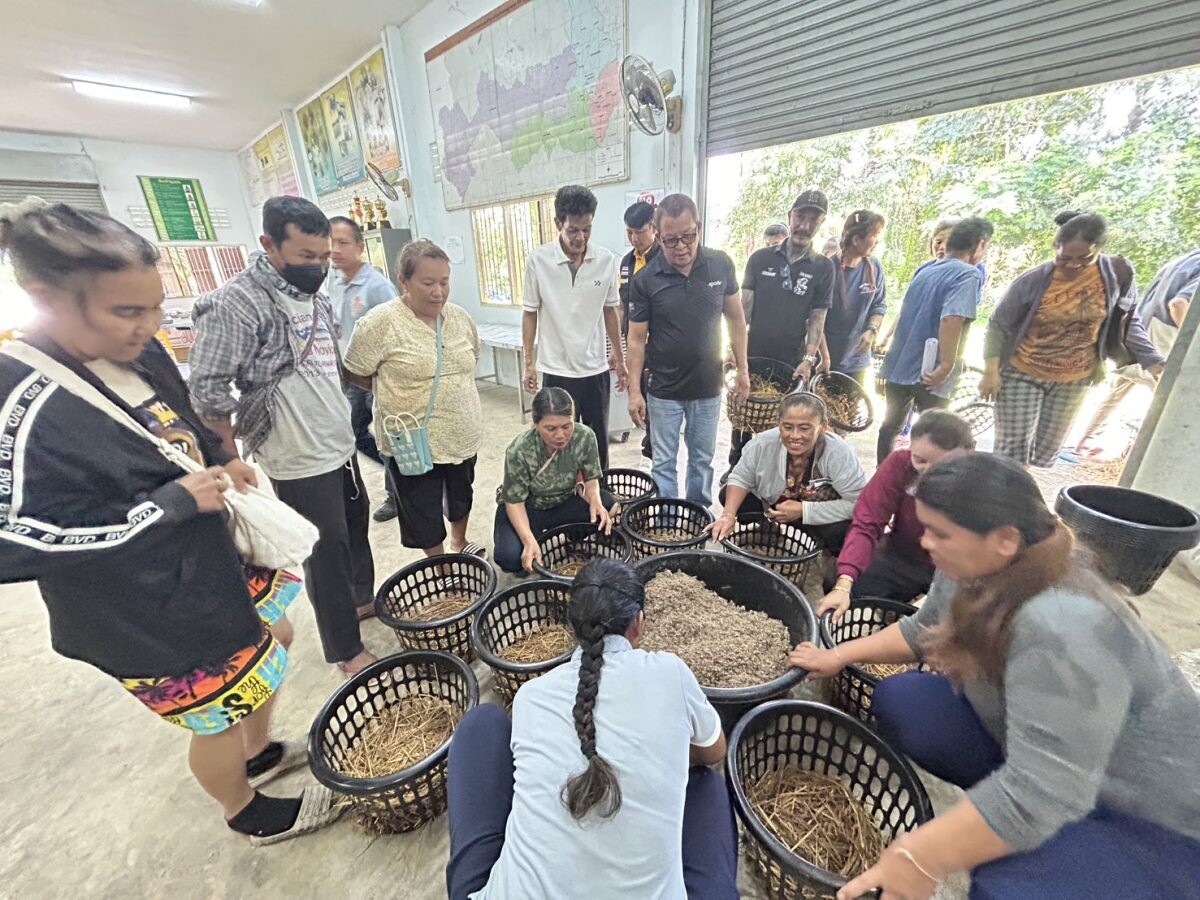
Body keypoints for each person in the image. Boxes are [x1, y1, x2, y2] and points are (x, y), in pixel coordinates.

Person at [0, 199, 340, 844]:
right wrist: (169, 506)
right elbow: (15, 541)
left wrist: (219, 458)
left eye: (154, 306)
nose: (147, 325)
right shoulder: (19, 396)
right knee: (213, 709)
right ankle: (242, 806)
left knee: (278, 639)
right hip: (143, 598)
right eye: (127, 311)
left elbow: (177, 416)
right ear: (48, 300)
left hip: (208, 561)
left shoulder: (140, 351)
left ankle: (258, 750)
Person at [789, 453, 1200, 900]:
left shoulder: (1064, 623)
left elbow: (1045, 791)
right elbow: (922, 631)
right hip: (1055, 757)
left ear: (1004, 538)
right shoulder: (972, 565)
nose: (926, 543)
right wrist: (837, 655)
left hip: (1151, 817)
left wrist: (924, 853)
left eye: (940, 533)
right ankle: (1012, 814)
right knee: (905, 701)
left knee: (1006, 886)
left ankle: (1061, 847)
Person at [445, 558, 738, 899]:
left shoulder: (531, 696)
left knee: (481, 724)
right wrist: (656, 756)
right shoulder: (670, 673)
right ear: (638, 624)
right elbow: (715, 751)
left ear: (571, 628)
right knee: (706, 784)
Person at [189, 196, 376, 678]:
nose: (317, 267)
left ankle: (360, 602)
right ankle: (346, 650)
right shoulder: (237, 303)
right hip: (296, 452)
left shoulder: (313, 291)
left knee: (354, 525)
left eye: (324, 257)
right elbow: (207, 390)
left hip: (335, 440)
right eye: (305, 257)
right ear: (269, 244)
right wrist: (229, 457)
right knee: (325, 550)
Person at [981, 212, 1165, 468]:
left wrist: (1152, 360)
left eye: (1084, 258)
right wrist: (991, 372)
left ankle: (1016, 494)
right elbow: (997, 326)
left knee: (1042, 455)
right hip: (1022, 371)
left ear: (1100, 248)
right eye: (1064, 258)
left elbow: (1126, 322)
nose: (1073, 265)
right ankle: (1006, 502)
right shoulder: (1033, 281)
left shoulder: (1116, 276)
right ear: (1055, 248)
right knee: (1012, 454)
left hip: (1075, 378)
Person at [344, 240, 485, 560]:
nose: (438, 291)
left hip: (461, 433)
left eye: (444, 282)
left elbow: (470, 358)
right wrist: (394, 391)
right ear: (403, 282)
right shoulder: (379, 323)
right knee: (421, 509)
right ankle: (440, 565)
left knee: (461, 495)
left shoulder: (459, 318)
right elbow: (354, 370)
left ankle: (459, 544)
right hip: (412, 438)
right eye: (428, 282)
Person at [626, 193, 748, 505]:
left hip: (708, 386)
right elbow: (637, 339)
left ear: (699, 227)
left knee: (701, 460)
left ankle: (697, 514)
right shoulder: (645, 280)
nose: (681, 247)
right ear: (657, 233)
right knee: (664, 462)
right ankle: (670, 524)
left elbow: (735, 318)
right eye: (670, 240)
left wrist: (743, 370)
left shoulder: (720, 265)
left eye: (688, 236)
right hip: (663, 390)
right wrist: (634, 392)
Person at [818, 410, 974, 620]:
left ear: (970, 451)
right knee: (844, 587)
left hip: (960, 568)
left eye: (942, 465)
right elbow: (867, 521)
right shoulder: (901, 464)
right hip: (902, 556)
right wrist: (844, 583)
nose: (929, 473)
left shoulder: (983, 482)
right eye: (920, 460)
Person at [729, 190, 836, 473]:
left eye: (813, 218)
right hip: (753, 354)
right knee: (744, 415)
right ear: (790, 216)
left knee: (784, 422)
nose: (805, 224)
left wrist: (809, 359)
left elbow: (818, 317)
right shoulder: (760, 259)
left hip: (790, 360)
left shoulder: (823, 268)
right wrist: (734, 351)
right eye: (801, 216)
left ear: (821, 223)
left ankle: (770, 474)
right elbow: (743, 311)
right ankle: (735, 468)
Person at [710, 393, 867, 585]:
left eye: (805, 428)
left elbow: (860, 502)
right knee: (728, 494)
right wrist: (728, 515)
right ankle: (769, 530)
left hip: (818, 511)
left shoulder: (838, 453)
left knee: (842, 529)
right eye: (787, 427)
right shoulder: (762, 444)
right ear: (778, 423)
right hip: (775, 506)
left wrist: (804, 510)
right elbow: (740, 477)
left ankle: (828, 557)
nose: (794, 436)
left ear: (823, 426)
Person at [522, 185, 627, 470]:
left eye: (587, 229)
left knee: (596, 441)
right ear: (558, 224)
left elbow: (610, 311)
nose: (580, 237)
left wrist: (619, 355)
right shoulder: (538, 261)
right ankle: (564, 498)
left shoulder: (606, 260)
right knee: (558, 442)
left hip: (594, 370)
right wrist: (529, 363)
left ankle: (599, 499)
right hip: (557, 369)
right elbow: (530, 313)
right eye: (573, 230)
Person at [877, 217, 993, 465]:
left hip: (900, 367)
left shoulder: (926, 270)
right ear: (979, 245)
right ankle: (921, 482)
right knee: (933, 435)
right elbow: (951, 319)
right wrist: (946, 365)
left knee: (891, 426)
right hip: (930, 373)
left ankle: (884, 475)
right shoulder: (968, 274)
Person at [1074, 246, 1200, 457]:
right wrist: (1190, 341)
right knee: (1167, 402)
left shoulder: (1185, 258)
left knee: (1122, 388)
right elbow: (1179, 304)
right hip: (1164, 334)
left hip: (1140, 325)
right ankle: (1141, 457)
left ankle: (1084, 440)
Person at [325, 215, 399, 521]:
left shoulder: (377, 286)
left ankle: (397, 495)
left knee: (391, 439)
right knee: (355, 434)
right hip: (350, 376)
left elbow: (396, 328)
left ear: (359, 246)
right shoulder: (335, 282)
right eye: (331, 243)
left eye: (342, 243)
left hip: (378, 379)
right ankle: (398, 478)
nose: (335, 249)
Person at [494, 388, 615, 575]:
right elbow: (514, 502)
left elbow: (591, 479)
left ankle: (574, 538)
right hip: (529, 507)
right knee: (509, 557)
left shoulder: (585, 437)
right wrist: (528, 540)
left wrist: (596, 502)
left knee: (609, 508)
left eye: (567, 426)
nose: (560, 435)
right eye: (550, 428)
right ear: (536, 424)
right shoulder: (519, 450)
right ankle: (534, 537)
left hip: (563, 501)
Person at [821, 210, 886, 384]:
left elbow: (879, 305)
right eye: (875, 235)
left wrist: (871, 330)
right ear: (856, 240)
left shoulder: (874, 267)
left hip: (857, 361)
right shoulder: (827, 268)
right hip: (826, 360)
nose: (877, 241)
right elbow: (815, 317)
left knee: (849, 408)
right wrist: (824, 357)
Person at [618, 200, 661, 460]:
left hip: (658, 346)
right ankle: (649, 439)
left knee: (657, 400)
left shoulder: (664, 259)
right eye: (629, 233)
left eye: (640, 231)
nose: (634, 238)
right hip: (634, 344)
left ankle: (655, 446)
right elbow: (622, 305)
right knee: (640, 393)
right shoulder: (626, 263)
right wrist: (619, 348)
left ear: (653, 227)